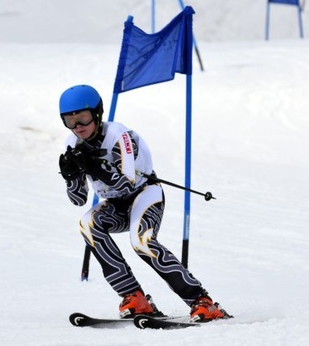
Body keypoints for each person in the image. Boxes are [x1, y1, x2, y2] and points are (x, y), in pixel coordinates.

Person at [57, 84, 232, 322]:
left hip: (145, 193)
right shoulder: (73, 144)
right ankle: (134, 297)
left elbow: (128, 183)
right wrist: (71, 178)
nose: (78, 127)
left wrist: (95, 168)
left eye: (83, 119)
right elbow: (78, 200)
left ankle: (202, 301)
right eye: (70, 121)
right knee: (88, 223)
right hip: (116, 204)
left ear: (97, 114)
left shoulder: (119, 135)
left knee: (142, 241)